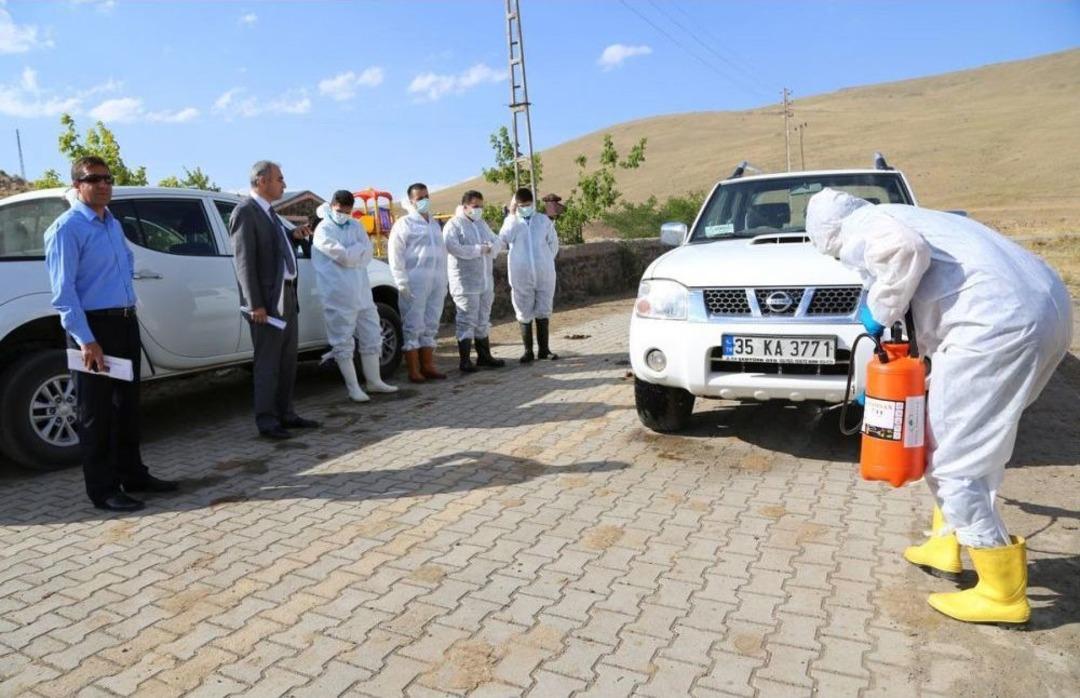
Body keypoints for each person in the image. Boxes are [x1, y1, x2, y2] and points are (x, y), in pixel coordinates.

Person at [806, 188, 1072, 625]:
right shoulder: (911, 215)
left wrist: (876, 312)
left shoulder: (859, 230)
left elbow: (903, 252)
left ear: (827, 236)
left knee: (955, 459)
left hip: (994, 325)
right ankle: (946, 542)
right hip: (1048, 312)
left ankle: (1001, 593)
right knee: (968, 439)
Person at [44, 156, 178, 511]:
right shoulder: (67, 228)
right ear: (77, 185)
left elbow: (127, 263)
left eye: (107, 178)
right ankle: (103, 490)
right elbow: (64, 294)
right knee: (96, 413)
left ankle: (133, 474)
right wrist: (86, 339)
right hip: (93, 330)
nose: (104, 184)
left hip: (123, 322)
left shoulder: (111, 222)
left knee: (127, 406)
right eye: (94, 179)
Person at [230, 160, 321, 439]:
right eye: (279, 178)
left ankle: (286, 413)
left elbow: (273, 249)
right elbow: (244, 261)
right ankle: (267, 421)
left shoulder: (269, 213)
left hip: (287, 296)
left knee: (286, 361)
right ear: (261, 181)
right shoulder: (246, 211)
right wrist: (254, 303)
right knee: (268, 363)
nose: (283, 183)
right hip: (268, 303)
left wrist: (293, 236)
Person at [311, 190, 398, 401]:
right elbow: (344, 256)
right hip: (338, 293)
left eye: (348, 211)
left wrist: (355, 252)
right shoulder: (324, 229)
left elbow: (366, 253)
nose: (343, 214)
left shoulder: (355, 225)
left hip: (361, 290)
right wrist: (355, 252)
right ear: (332, 206)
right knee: (342, 340)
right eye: (340, 210)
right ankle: (353, 388)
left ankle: (374, 381)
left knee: (371, 333)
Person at [388, 182, 448, 383]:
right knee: (413, 324)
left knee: (431, 322)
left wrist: (444, 278)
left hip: (436, 280)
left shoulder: (433, 223)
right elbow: (395, 254)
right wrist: (401, 281)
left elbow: (441, 252)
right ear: (411, 201)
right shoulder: (404, 224)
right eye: (419, 198)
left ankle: (428, 365)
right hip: (415, 281)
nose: (424, 200)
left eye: (426, 196)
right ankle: (414, 370)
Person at [443, 190, 505, 372]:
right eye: (476, 206)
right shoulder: (454, 225)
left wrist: (491, 247)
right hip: (465, 282)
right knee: (466, 319)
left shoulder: (481, 224)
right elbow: (452, 247)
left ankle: (484, 356)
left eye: (481, 206)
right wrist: (479, 249)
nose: (479, 210)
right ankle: (464, 360)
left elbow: (496, 240)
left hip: (484, 280)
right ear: (465, 207)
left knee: (482, 318)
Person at [500, 187, 559, 363]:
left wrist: (545, 261)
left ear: (533, 203)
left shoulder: (543, 221)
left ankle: (544, 350)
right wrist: (510, 216)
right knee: (523, 310)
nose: (525, 208)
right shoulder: (512, 223)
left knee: (543, 309)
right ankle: (528, 351)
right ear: (516, 205)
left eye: (528, 204)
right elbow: (503, 240)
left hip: (544, 273)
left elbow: (553, 244)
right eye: (521, 205)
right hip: (521, 274)